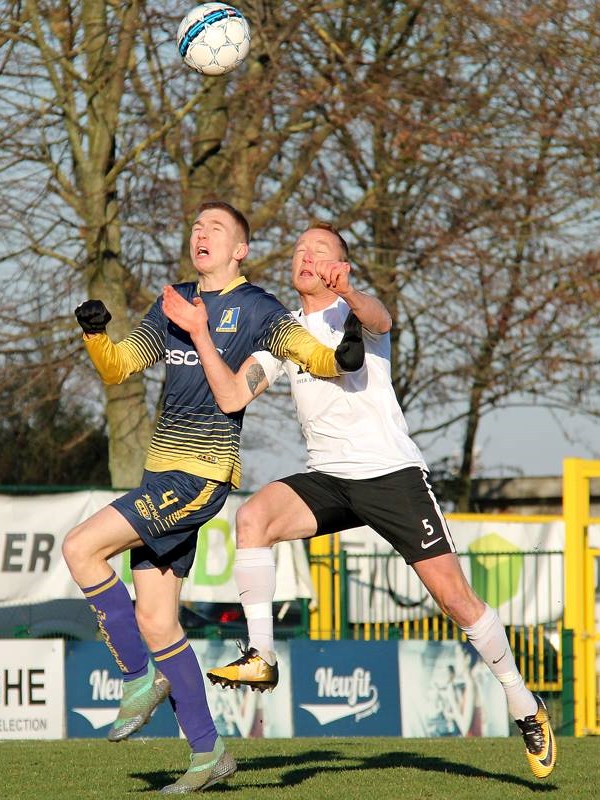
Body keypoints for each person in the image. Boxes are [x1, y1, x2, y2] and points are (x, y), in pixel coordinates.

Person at [162, 220, 557, 781]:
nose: (306, 256)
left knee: (457, 601)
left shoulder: (355, 315)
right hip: (329, 478)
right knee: (253, 518)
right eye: (299, 249)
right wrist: (200, 334)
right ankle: (263, 656)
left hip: (391, 475)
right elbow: (230, 394)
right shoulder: (281, 330)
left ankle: (523, 703)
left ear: (340, 266)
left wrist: (351, 291)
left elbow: (382, 317)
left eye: (319, 250)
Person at [62, 202, 364, 795]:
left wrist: (341, 356)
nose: (201, 235)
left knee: (79, 548)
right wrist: (97, 333)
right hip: (160, 475)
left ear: (239, 250)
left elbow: (306, 351)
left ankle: (134, 678)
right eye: (197, 227)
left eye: (216, 229)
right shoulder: (173, 300)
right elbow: (121, 368)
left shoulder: (256, 310)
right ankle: (209, 754)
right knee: (155, 619)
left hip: (199, 477)